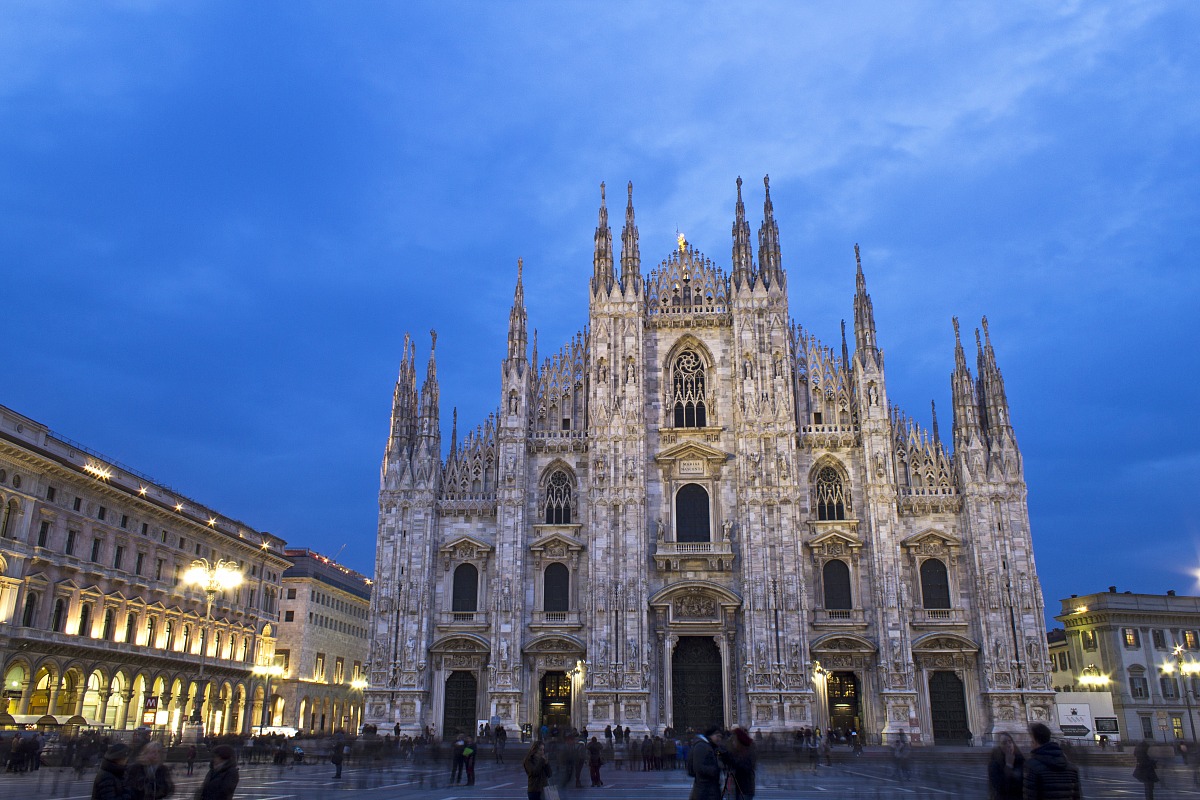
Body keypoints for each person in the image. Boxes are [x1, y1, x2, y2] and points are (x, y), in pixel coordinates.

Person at [1023, 722, 1081, 800]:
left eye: (1032, 741)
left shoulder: (1031, 766)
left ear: (1035, 741)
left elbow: (1030, 796)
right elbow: (1076, 796)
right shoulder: (1072, 768)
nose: (1030, 744)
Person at [687, 724, 723, 800]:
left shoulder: (711, 746)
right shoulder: (702, 746)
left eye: (720, 737)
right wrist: (716, 769)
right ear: (710, 735)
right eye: (717, 736)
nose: (719, 739)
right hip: (704, 790)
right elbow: (698, 767)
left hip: (710, 789)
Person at [721, 727, 757, 800]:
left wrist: (731, 760)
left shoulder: (749, 749)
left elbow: (746, 767)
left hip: (745, 789)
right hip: (735, 788)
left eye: (734, 740)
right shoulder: (735, 750)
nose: (733, 742)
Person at [987, 732, 1024, 800]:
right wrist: (1008, 766)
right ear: (998, 747)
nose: (1009, 745)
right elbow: (1000, 788)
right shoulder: (994, 764)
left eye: (1010, 741)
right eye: (1004, 743)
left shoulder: (1020, 759)